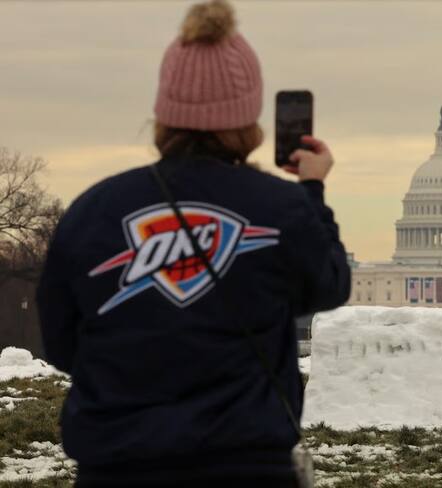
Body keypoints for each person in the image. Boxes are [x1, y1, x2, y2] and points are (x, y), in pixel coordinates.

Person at [35, 0, 351, 486]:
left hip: (117, 468)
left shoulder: (91, 212)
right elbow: (329, 286)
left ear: (164, 113)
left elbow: (60, 342)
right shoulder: (281, 209)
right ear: (247, 119)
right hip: (248, 467)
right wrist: (312, 190)